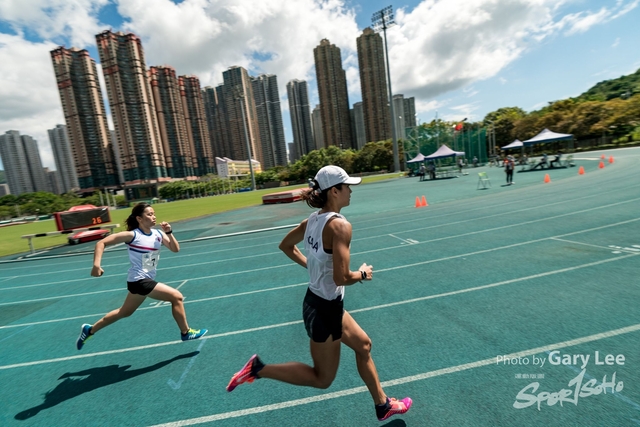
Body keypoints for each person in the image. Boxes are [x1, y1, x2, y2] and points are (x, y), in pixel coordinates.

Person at [226, 166, 412, 422]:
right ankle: (258, 369)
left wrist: (312, 265)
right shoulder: (340, 227)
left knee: (364, 345)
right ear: (334, 191)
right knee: (322, 378)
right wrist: (364, 273)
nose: (350, 191)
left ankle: (382, 404)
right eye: (347, 187)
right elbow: (342, 277)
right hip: (323, 310)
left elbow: (286, 246)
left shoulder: (313, 220)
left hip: (324, 304)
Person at [76, 203, 207, 350]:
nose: (153, 216)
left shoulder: (158, 234)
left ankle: (90, 330)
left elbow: (175, 249)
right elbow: (101, 243)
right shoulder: (132, 235)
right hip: (139, 280)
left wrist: (169, 232)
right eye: (149, 214)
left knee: (124, 312)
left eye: (154, 213)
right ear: (139, 218)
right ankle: (186, 332)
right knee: (176, 297)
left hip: (143, 280)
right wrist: (96, 265)